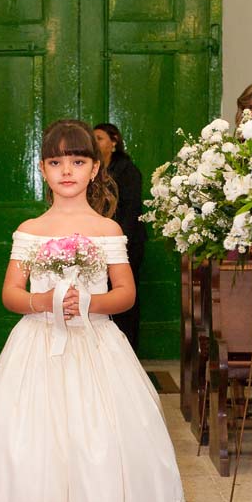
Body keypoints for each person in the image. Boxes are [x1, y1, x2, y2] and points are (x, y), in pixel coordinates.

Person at [0, 119, 193, 502]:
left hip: (94, 342)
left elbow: (126, 293)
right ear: (42, 169)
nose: (66, 170)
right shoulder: (30, 229)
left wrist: (91, 303)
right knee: (36, 441)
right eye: (56, 162)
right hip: (38, 344)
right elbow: (11, 291)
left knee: (100, 440)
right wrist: (41, 301)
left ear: (94, 169)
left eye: (77, 161)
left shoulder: (107, 228)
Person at [94, 123, 146, 352]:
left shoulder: (128, 170)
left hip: (126, 242)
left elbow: (131, 210)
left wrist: (117, 243)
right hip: (98, 241)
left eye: (100, 138)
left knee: (122, 293)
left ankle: (126, 349)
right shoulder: (95, 170)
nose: (95, 143)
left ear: (114, 142)